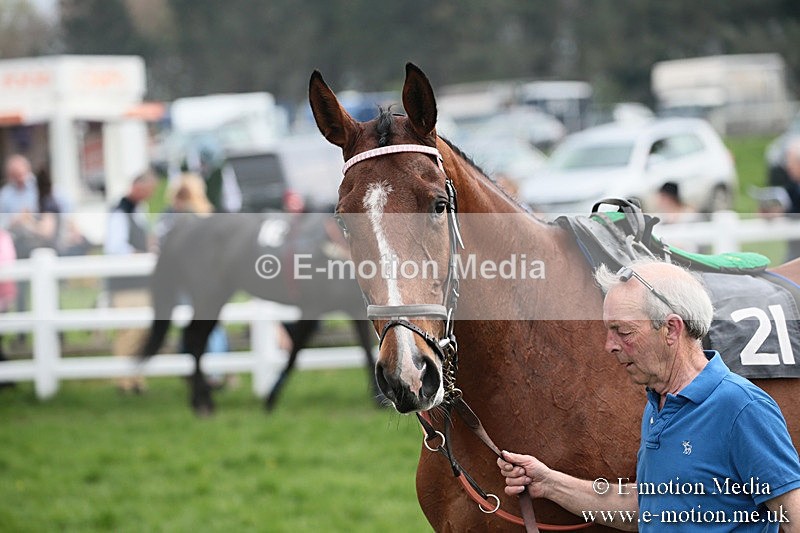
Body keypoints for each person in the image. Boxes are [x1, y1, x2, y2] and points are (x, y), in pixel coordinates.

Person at [498, 259, 800, 531]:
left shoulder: (742, 408)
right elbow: (650, 506)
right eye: (609, 331)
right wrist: (548, 483)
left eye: (623, 332)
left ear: (671, 329)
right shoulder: (659, 403)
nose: (610, 346)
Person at [104, 170, 158, 393]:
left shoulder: (138, 211)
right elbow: (116, 248)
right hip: (125, 282)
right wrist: (141, 254)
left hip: (141, 281)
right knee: (129, 330)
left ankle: (136, 377)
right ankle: (123, 380)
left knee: (142, 330)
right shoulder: (120, 212)